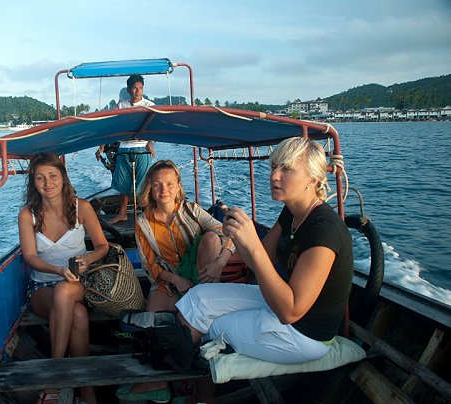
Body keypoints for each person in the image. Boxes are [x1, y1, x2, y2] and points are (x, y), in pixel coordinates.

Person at [175, 136, 354, 403]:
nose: (274, 176)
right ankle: (178, 372)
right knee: (198, 297)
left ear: (313, 179)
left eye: (287, 169)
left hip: (304, 335)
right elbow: (256, 261)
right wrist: (239, 236)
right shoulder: (291, 212)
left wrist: (252, 245)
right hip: (277, 303)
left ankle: (201, 397)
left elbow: (290, 311)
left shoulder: (324, 231)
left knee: (213, 325)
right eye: (273, 167)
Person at [116, 159, 235, 403]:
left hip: (200, 276)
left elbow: (228, 233)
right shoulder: (143, 221)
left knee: (212, 238)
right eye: (157, 185)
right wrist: (175, 280)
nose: (164, 190)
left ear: (178, 185)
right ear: (150, 188)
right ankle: (161, 382)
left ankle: (196, 383)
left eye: (169, 184)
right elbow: (149, 264)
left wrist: (220, 262)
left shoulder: (191, 210)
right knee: (154, 319)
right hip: (170, 279)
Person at [18, 152, 109, 404]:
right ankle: (84, 387)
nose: (47, 183)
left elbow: (103, 246)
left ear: (63, 177)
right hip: (41, 287)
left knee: (66, 290)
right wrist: (57, 270)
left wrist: (88, 259)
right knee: (77, 314)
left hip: (78, 283)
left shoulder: (83, 208)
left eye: (53, 176)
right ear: (33, 182)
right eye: (40, 178)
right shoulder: (27, 215)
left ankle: (54, 374)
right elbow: (29, 257)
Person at [95, 74, 156, 224]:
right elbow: (112, 127)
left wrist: (150, 143)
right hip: (124, 148)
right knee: (123, 182)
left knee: (144, 183)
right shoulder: (121, 106)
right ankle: (122, 213)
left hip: (142, 149)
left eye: (140, 88)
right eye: (134, 88)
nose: (137, 91)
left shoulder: (150, 105)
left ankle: (146, 213)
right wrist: (101, 146)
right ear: (128, 90)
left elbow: (155, 128)